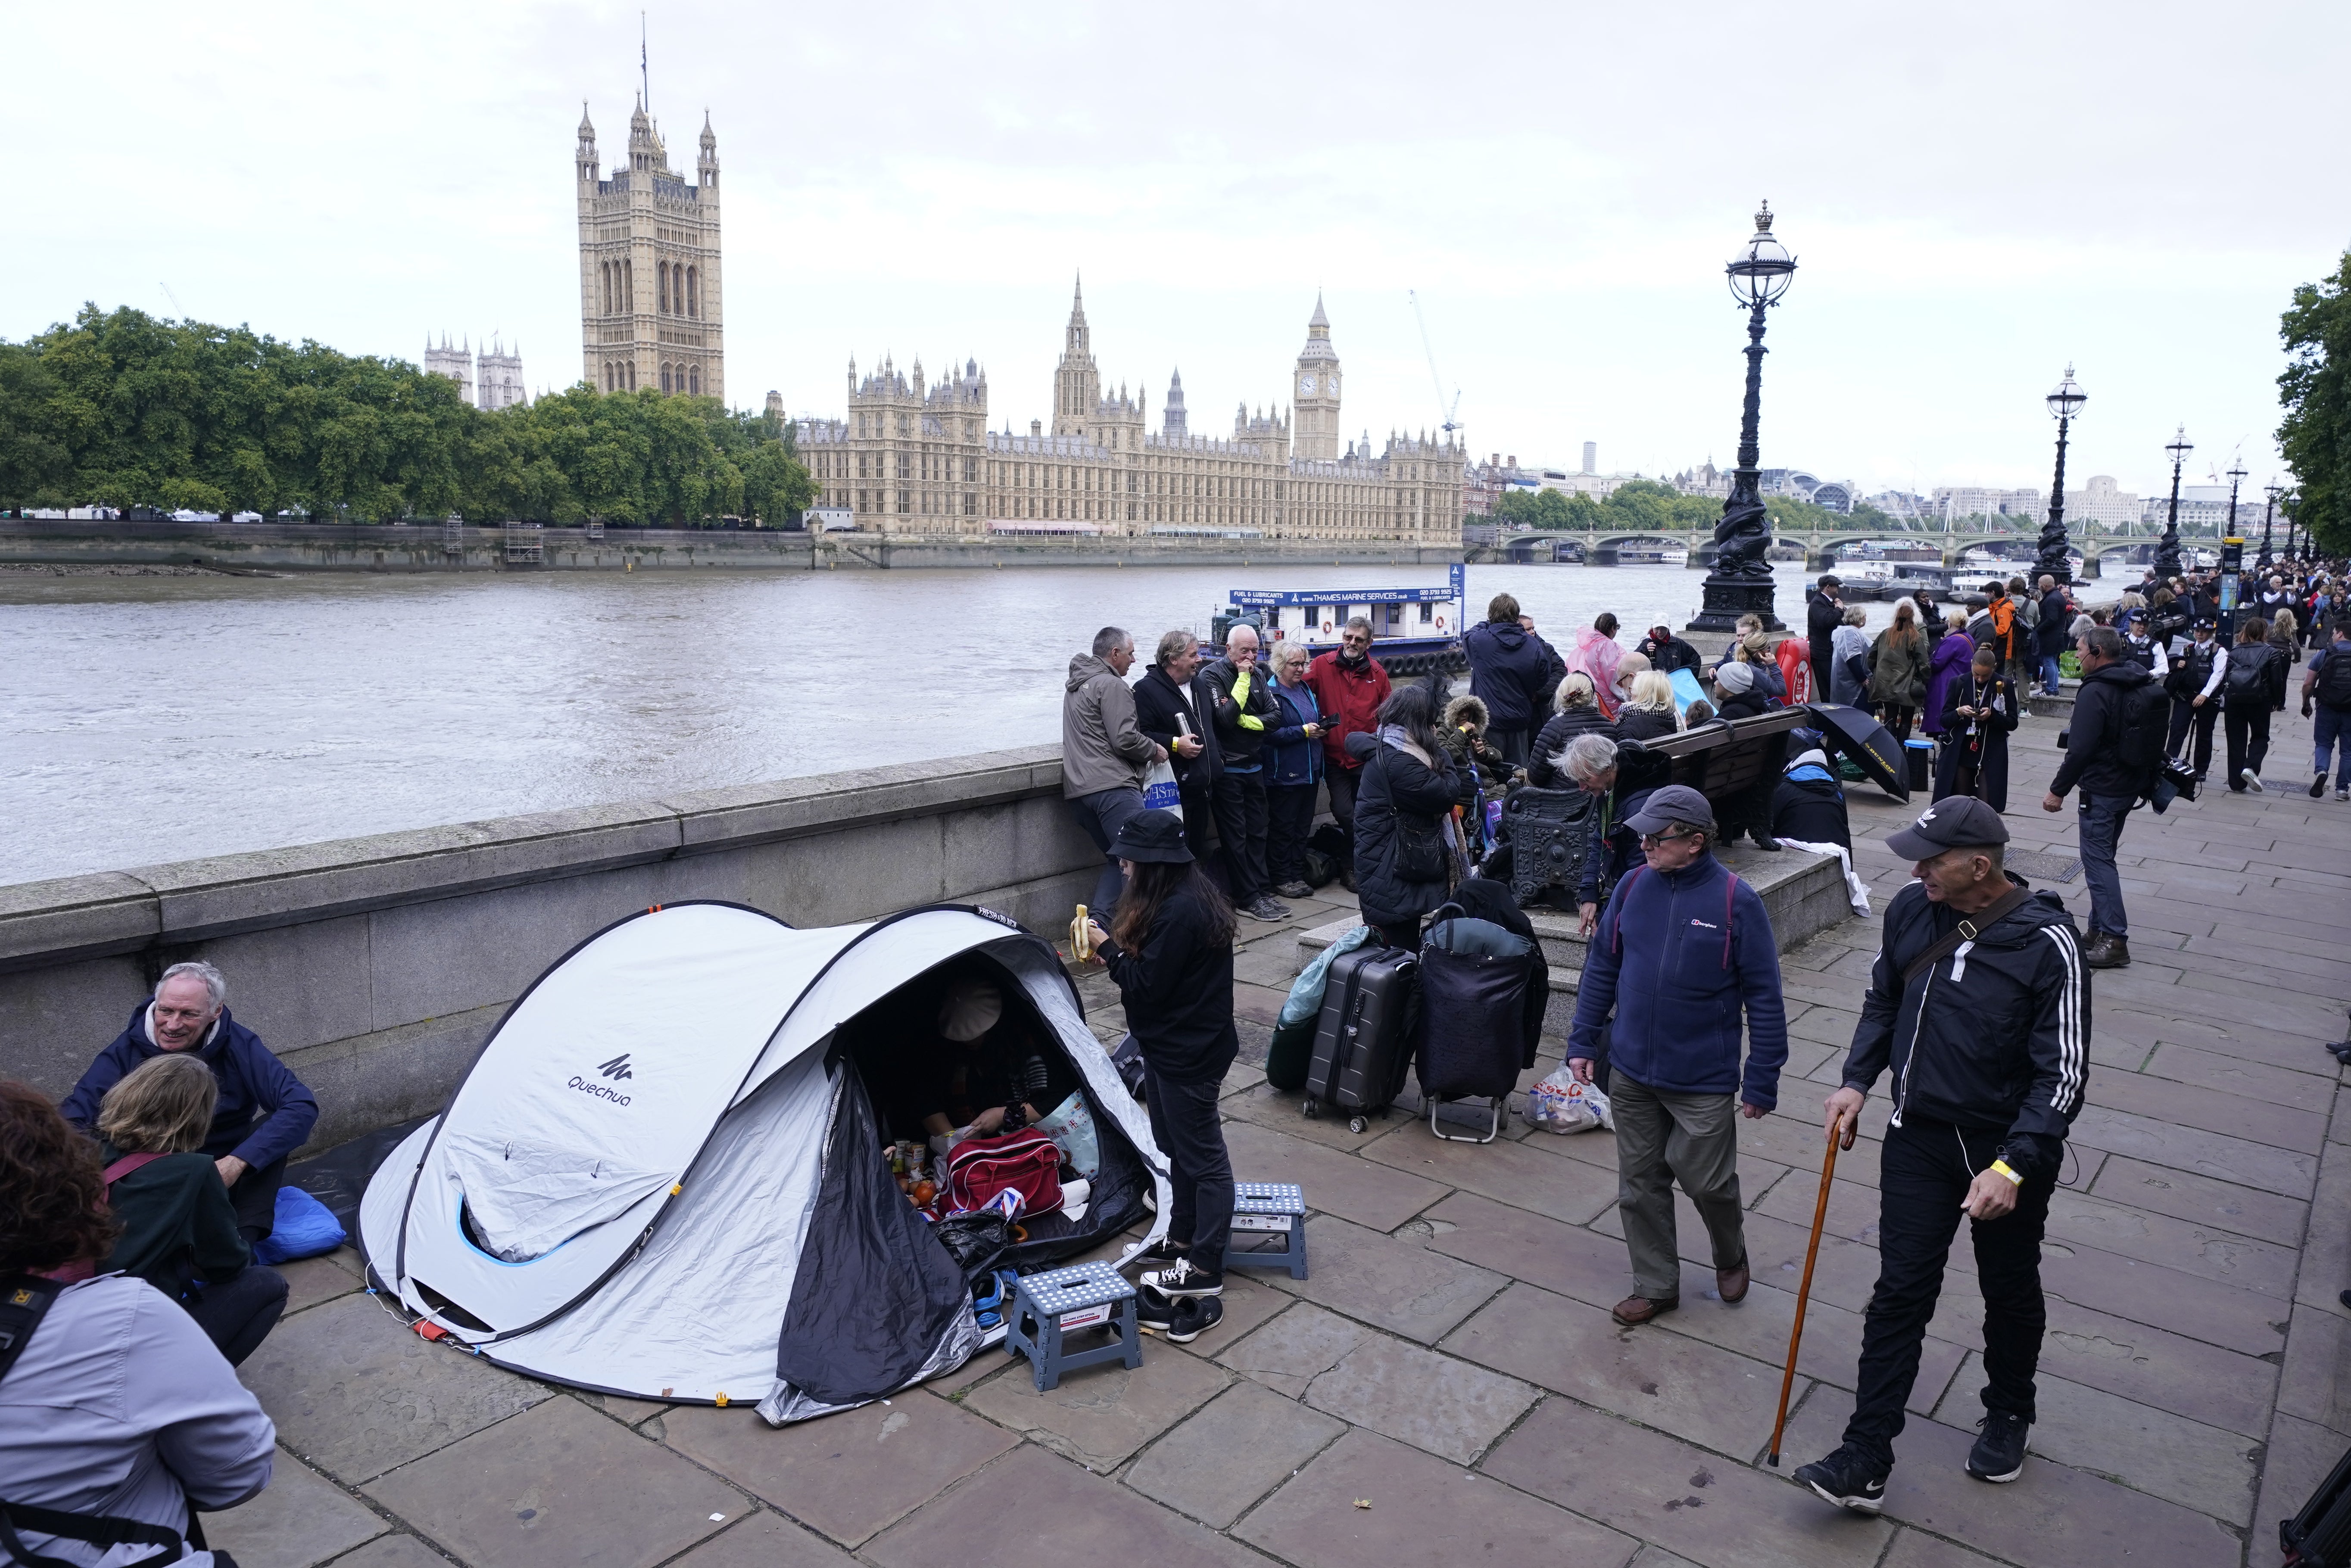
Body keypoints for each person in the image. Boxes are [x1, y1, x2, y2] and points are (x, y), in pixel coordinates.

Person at [1794, 798, 2086, 1512]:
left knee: (2007, 1284)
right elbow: (1883, 1000)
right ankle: (1865, 1455)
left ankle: (2010, 1407)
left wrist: (2013, 1166)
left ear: (1979, 865)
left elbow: (2065, 1073)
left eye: (1932, 860)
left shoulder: (2047, 943)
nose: (1916, 870)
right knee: (1901, 1290)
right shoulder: (1908, 910)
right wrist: (1856, 1081)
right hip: (1918, 1135)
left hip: (2003, 1150)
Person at [0, 1081, 277, 1567]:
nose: (173, 1021)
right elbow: (239, 1473)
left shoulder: (108, 1149)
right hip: (121, 1544)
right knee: (262, 1284)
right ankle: (185, 1402)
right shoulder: (123, 1315)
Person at [1564, 785, 1786, 1328]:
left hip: (1701, 1077)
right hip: (1632, 1070)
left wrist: (1761, 1077)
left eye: (1655, 838)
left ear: (1694, 841)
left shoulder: (1737, 901)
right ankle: (1656, 1285)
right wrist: (1581, 1039)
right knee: (1639, 1185)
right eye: (1641, 835)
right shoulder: (1633, 885)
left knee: (1707, 1181)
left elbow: (1764, 994)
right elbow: (1601, 968)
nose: (1643, 845)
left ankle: (1729, 1251)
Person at [1082, 811, 1236, 1344]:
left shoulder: (1180, 913)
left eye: (1128, 859)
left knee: (1203, 1156)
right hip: (1177, 1045)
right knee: (1174, 1143)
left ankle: (1206, 1265)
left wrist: (1105, 948)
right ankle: (1184, 1235)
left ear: (1152, 865)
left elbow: (1146, 986)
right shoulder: (1185, 895)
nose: (1121, 866)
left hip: (1189, 1052)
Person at [63, 962, 318, 1248]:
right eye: (166, 1011)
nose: (172, 1025)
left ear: (215, 1012)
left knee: (273, 1131)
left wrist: (236, 1164)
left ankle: (243, 1239)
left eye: (188, 1014)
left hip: (219, 1170)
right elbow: (72, 1121)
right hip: (149, 1173)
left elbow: (301, 1105)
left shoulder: (239, 1044)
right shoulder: (123, 1052)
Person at [95, 1055, 290, 1367]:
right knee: (267, 1284)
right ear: (197, 1117)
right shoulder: (192, 1172)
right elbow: (226, 1266)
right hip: (134, 1347)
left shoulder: (85, 1154)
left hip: (71, 1322)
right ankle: (187, 1391)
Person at [2043, 626, 2154, 969]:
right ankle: (2096, 929)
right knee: (2104, 856)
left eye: (2079, 650)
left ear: (2097, 651)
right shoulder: (2134, 678)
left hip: (2103, 788)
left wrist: (2057, 791)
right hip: (2127, 784)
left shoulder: (2096, 691)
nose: (2077, 656)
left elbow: (2080, 750)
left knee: (2098, 863)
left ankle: (2114, 939)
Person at [1344, 684, 1469, 952]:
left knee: (1399, 944)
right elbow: (1446, 794)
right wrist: (1441, 751)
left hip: (1386, 861)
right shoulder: (1400, 760)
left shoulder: (1391, 746)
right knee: (1397, 954)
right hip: (1389, 867)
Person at [1062, 625, 1166, 914]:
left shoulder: (1076, 686)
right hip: (1113, 789)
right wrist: (1154, 749)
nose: (1134, 660)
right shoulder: (1112, 685)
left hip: (1079, 793)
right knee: (1138, 860)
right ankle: (1132, 937)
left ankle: (1097, 928)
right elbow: (1125, 739)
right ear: (1115, 653)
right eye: (1131, 654)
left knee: (1116, 858)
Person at [916, 975, 1078, 1148]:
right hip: (976, 1146)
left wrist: (1004, 1115)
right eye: (962, 1038)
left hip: (1034, 1138)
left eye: (975, 1036)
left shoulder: (1026, 1046)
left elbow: (1058, 1097)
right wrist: (956, 1145)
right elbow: (925, 1098)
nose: (968, 1043)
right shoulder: (948, 1055)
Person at [1201, 623, 1287, 921]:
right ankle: (1247, 897)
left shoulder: (1261, 673)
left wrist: (1245, 721)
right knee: (1236, 836)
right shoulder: (1211, 675)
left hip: (1255, 766)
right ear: (1228, 650)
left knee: (1258, 831)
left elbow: (1276, 717)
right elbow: (1224, 719)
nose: (1251, 656)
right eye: (1244, 651)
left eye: (1255, 650)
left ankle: (1261, 891)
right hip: (1228, 770)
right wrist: (1241, 679)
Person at [1305, 617, 1391, 888]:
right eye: (1348, 637)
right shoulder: (1322, 665)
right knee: (1345, 812)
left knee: (1366, 814)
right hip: (1334, 758)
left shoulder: (1377, 674)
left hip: (1367, 759)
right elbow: (1294, 688)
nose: (1352, 643)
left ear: (1369, 644)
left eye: (1358, 639)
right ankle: (1360, 864)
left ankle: (1353, 868)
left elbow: (1389, 714)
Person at [1132, 629, 1226, 873]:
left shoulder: (1198, 684)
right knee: (1173, 861)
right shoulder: (1145, 690)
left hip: (1204, 787)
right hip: (1174, 792)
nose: (1200, 660)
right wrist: (1175, 744)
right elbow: (1140, 735)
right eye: (1194, 655)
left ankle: (1195, 905)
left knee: (1196, 856)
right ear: (1173, 659)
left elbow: (1210, 728)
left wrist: (1219, 759)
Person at [1263, 638, 1324, 899]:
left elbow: (1311, 721)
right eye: (1294, 664)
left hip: (1310, 770)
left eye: (1303, 663)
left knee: (1302, 828)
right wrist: (1302, 732)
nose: (1300, 669)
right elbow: (1268, 733)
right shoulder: (1269, 692)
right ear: (1279, 664)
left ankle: (1297, 874)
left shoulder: (1306, 689)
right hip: (1284, 773)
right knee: (1283, 828)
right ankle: (1280, 877)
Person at [1464, 593, 1556, 767]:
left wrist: (1488, 623)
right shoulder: (1533, 645)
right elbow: (1543, 677)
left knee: (1488, 770)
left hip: (1488, 720)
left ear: (1491, 616)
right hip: (1520, 719)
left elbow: (1468, 635)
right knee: (1518, 772)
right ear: (1516, 617)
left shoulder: (1479, 642)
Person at [1710, 662, 1785, 851]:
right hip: (1744, 779)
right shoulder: (1757, 708)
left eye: (1718, 680)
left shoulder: (1732, 713)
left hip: (1720, 784)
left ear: (1728, 686)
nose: (1715, 684)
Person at [1936, 644, 2018, 809]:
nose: (1980, 679)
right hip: (1962, 750)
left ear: (1994, 668)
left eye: (1985, 676)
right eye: (1976, 674)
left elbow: (2012, 722)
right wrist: (1959, 712)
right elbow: (1944, 720)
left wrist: (1991, 717)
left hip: (1991, 751)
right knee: (1960, 802)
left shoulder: (2004, 684)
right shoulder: (1958, 683)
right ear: (1971, 664)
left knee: (1986, 805)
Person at [2164, 616, 2225, 782]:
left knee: (2204, 735)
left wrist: (2204, 695)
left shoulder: (2218, 651)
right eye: (2197, 631)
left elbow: (2218, 676)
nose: (2200, 634)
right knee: (2177, 731)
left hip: (2207, 700)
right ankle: (2169, 764)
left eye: (2204, 632)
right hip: (2185, 697)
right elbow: (2170, 666)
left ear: (2211, 633)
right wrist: (2177, 664)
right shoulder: (2187, 648)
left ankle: (2201, 769)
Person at [1526, 672, 1612, 788]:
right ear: (1592, 695)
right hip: (1599, 796)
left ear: (1561, 695)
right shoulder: (1609, 726)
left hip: (1561, 799)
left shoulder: (1553, 728)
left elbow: (1535, 776)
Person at [2221, 617, 2278, 793]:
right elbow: (2277, 681)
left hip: (2234, 701)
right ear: (2264, 633)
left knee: (2236, 740)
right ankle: (2251, 767)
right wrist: (2276, 701)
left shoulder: (2234, 652)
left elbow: (2226, 678)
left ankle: (2237, 784)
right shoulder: (2271, 652)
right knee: (2260, 736)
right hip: (2259, 700)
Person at [1868, 600, 1931, 743]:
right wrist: (1924, 680)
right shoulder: (1914, 636)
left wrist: (1878, 672)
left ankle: (1890, 750)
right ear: (1913, 617)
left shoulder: (1886, 634)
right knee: (1906, 721)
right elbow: (1924, 663)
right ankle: (1902, 751)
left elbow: (1871, 656)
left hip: (1886, 685)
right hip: (1907, 687)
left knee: (1890, 718)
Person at [2303, 619, 2351, 801]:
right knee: (2348, 751)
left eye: (2334, 633)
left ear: (2340, 634)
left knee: (2323, 744)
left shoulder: (2325, 653)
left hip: (2327, 706)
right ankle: (2342, 790)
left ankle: (2322, 771)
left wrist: (2305, 703)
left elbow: (2308, 683)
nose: (2332, 636)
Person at [1772, 747, 1852, 854]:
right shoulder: (1837, 791)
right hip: (1835, 850)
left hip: (1793, 847)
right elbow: (1845, 830)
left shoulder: (1785, 788)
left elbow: (1769, 824)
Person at [1922, 612, 1976, 741]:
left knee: (1942, 715)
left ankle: (1944, 745)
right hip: (1960, 679)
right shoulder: (1968, 638)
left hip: (1945, 682)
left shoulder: (1953, 640)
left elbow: (1937, 664)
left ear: (1949, 623)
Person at [1571, 613, 1629, 721]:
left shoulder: (1582, 648)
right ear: (1613, 629)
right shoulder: (1611, 648)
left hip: (1585, 703)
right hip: (1609, 708)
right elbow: (1617, 680)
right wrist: (1630, 698)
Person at [2035, 576, 2072, 698]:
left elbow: (2052, 618)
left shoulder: (2051, 599)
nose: (2039, 586)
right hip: (2057, 635)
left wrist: (2037, 630)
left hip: (2050, 637)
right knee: (2053, 663)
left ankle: (2050, 689)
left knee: (2049, 662)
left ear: (2045, 585)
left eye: (2040, 584)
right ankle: (2054, 689)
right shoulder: (2059, 596)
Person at [1808, 575, 1845, 690]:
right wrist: (1839, 609)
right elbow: (1826, 621)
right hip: (1822, 653)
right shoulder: (1817, 603)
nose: (1838, 588)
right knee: (1827, 688)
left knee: (1834, 687)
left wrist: (1841, 609)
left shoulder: (1829, 602)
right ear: (1828, 587)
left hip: (1831, 650)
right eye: (1836, 586)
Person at [1829, 606, 1871, 706]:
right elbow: (1852, 658)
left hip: (1846, 683)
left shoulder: (1845, 632)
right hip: (1854, 687)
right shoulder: (1850, 634)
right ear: (1860, 618)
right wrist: (1863, 679)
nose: (1866, 618)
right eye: (1864, 616)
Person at [2267, 608, 2301, 712]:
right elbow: (2296, 647)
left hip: (2270, 654)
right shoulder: (2291, 630)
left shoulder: (2269, 628)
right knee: (2283, 680)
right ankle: (2280, 703)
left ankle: (2270, 701)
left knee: (2269, 678)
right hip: (2284, 656)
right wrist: (2297, 659)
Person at [1636, 623, 1701, 675]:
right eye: (1657, 629)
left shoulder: (1678, 643)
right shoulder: (1646, 644)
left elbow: (1695, 659)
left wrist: (1685, 675)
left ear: (1668, 628)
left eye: (1663, 629)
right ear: (1653, 628)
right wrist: (1645, 650)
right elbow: (1633, 662)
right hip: (1654, 685)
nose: (1660, 632)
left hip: (1675, 683)